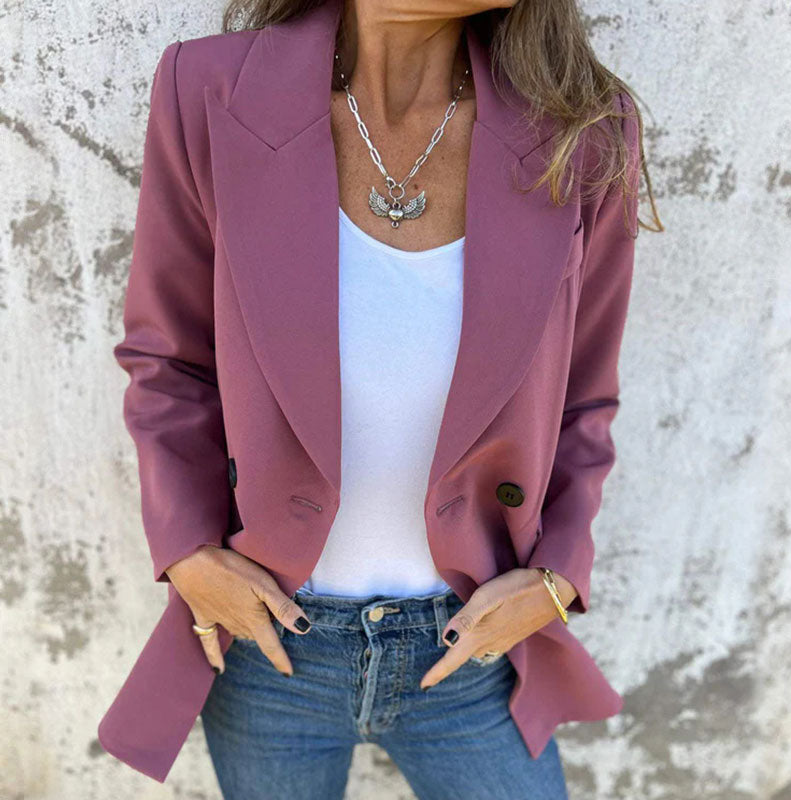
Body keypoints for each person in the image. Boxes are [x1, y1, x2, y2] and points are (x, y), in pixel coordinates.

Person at [98, 0, 663, 795]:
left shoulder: (583, 129)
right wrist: (188, 552)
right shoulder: (211, 90)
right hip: (267, 643)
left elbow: (584, 395)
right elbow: (169, 358)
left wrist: (558, 577)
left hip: (471, 645)